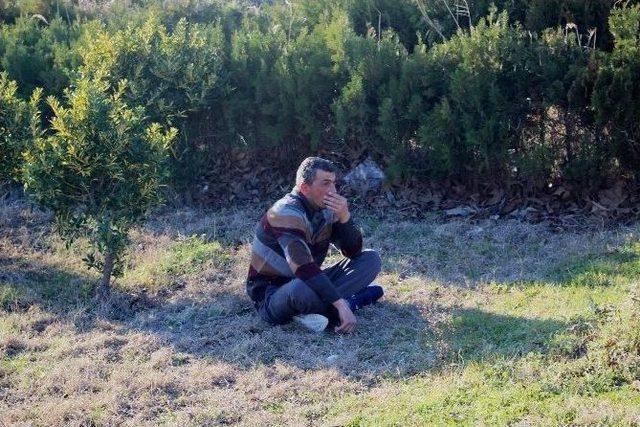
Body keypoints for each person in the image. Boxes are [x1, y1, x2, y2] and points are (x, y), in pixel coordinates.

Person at [246, 156, 383, 333]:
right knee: (301, 288)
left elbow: (353, 252)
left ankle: (321, 311)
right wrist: (341, 304)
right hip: (272, 295)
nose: (333, 190)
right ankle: (349, 303)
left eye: (334, 183)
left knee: (371, 259)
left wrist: (345, 217)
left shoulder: (325, 209)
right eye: (325, 183)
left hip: (307, 282)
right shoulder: (285, 212)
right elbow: (302, 267)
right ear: (304, 187)